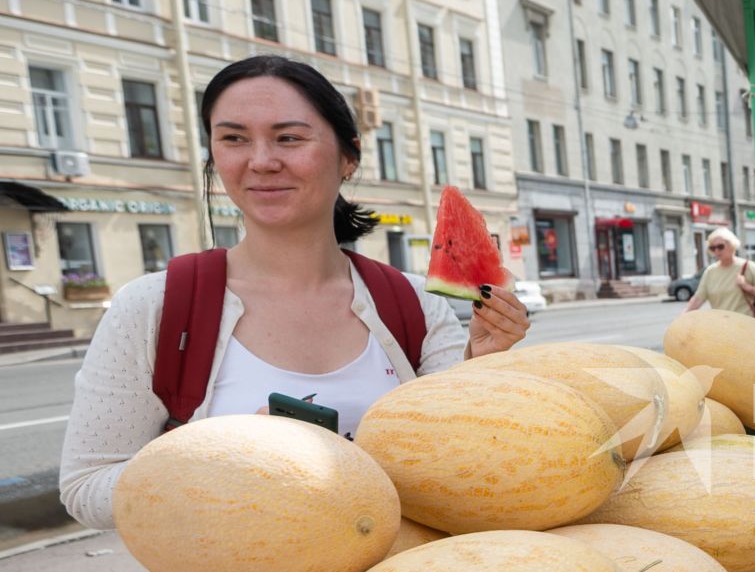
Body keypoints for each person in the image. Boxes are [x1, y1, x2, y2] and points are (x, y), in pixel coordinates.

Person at [59, 55, 528, 529]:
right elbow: (86, 488)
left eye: (289, 138)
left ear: (349, 157)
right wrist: (222, 462)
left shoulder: (411, 304)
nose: (261, 161)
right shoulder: (154, 307)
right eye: (233, 138)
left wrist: (480, 368)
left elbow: (457, 460)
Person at [682, 227, 755, 315]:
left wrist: (747, 287)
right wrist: (683, 317)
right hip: (721, 326)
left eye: (720, 246)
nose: (716, 251)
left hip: (745, 325)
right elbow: (698, 299)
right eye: (712, 248)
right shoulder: (710, 271)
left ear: (732, 245)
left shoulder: (747, 266)